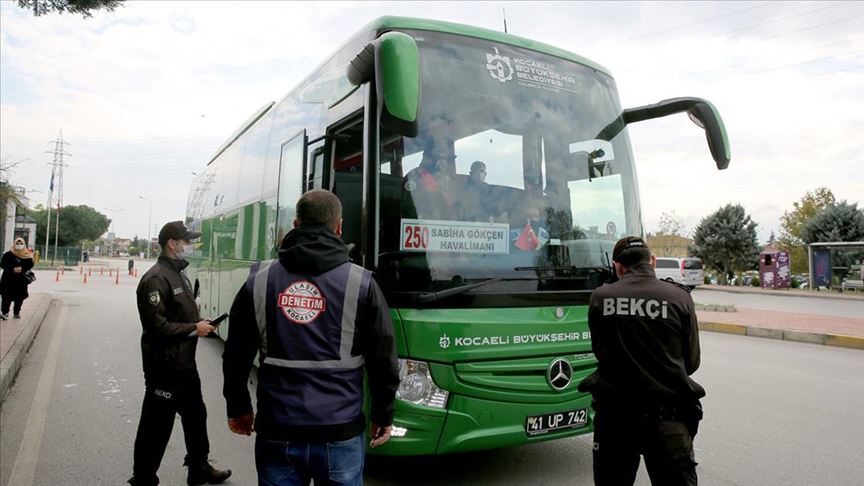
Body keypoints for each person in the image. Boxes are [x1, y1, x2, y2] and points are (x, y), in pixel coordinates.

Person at [223, 189, 400, 486]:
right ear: (339, 227)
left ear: (295, 224)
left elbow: (236, 353)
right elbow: (384, 360)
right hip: (339, 430)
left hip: (278, 427)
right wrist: (383, 414)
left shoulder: (260, 280)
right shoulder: (361, 282)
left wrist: (238, 407)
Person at [578, 236, 704, 486]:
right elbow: (691, 362)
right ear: (653, 261)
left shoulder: (600, 298)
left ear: (618, 266)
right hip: (668, 420)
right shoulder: (679, 298)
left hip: (615, 419)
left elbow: (601, 352)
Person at [128, 221, 231, 486]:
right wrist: (193, 329)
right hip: (164, 366)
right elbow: (157, 326)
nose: (190, 245)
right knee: (156, 426)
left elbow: (181, 314)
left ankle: (198, 467)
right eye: (186, 241)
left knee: (197, 415)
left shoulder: (179, 274)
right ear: (172, 244)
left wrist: (201, 322)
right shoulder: (155, 278)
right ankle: (143, 478)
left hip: (185, 364)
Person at [401, 144, 456, 220]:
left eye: (445, 160)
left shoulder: (444, 180)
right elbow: (410, 211)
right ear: (427, 158)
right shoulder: (414, 177)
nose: (443, 164)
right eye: (439, 159)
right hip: (424, 227)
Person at [0, 237, 35, 320]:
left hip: (21, 280)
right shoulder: (8, 254)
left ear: (24, 244)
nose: (19, 245)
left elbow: (30, 264)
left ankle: (16, 312)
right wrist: (12, 269)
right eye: (17, 243)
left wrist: (22, 268)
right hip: (8, 279)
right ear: (14, 244)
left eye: (21, 243)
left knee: (19, 297)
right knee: (6, 296)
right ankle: (5, 312)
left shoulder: (27, 255)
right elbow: (3, 264)